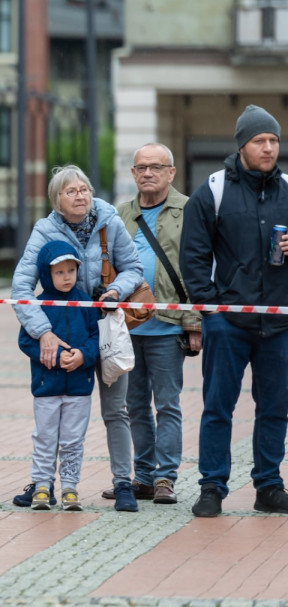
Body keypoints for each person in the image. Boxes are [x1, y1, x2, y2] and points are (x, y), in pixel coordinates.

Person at [11, 165, 144, 512]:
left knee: (116, 411)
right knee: (53, 421)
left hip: (105, 329)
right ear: (57, 200)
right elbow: (21, 288)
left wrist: (116, 288)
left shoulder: (109, 221)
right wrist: (44, 334)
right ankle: (44, 485)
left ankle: (122, 483)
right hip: (64, 333)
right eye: (71, 191)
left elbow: (133, 268)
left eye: (84, 188)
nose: (80, 195)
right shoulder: (44, 230)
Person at [180, 104, 288, 518]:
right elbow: (193, 256)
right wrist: (213, 313)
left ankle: (269, 486)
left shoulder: (287, 190)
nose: (268, 147)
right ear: (242, 144)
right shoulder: (213, 191)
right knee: (217, 407)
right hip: (228, 322)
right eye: (260, 140)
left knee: (275, 407)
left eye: (274, 140)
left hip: (278, 323)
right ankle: (212, 487)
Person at [116, 143, 201, 506]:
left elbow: (198, 269)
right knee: (134, 405)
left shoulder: (190, 211)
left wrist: (194, 323)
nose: (148, 173)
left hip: (169, 325)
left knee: (167, 404)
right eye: (141, 167)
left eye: (156, 166)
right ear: (133, 174)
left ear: (171, 172)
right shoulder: (120, 214)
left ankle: (166, 476)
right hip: (128, 327)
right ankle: (144, 477)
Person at [16, 241, 99, 511]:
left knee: (73, 440)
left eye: (71, 271)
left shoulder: (86, 302)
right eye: (59, 272)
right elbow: (25, 341)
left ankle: (71, 488)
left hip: (79, 387)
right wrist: (49, 356)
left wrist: (83, 356)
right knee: (45, 437)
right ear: (46, 274)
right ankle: (41, 485)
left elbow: (97, 338)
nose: (66, 277)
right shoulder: (38, 304)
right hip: (46, 387)